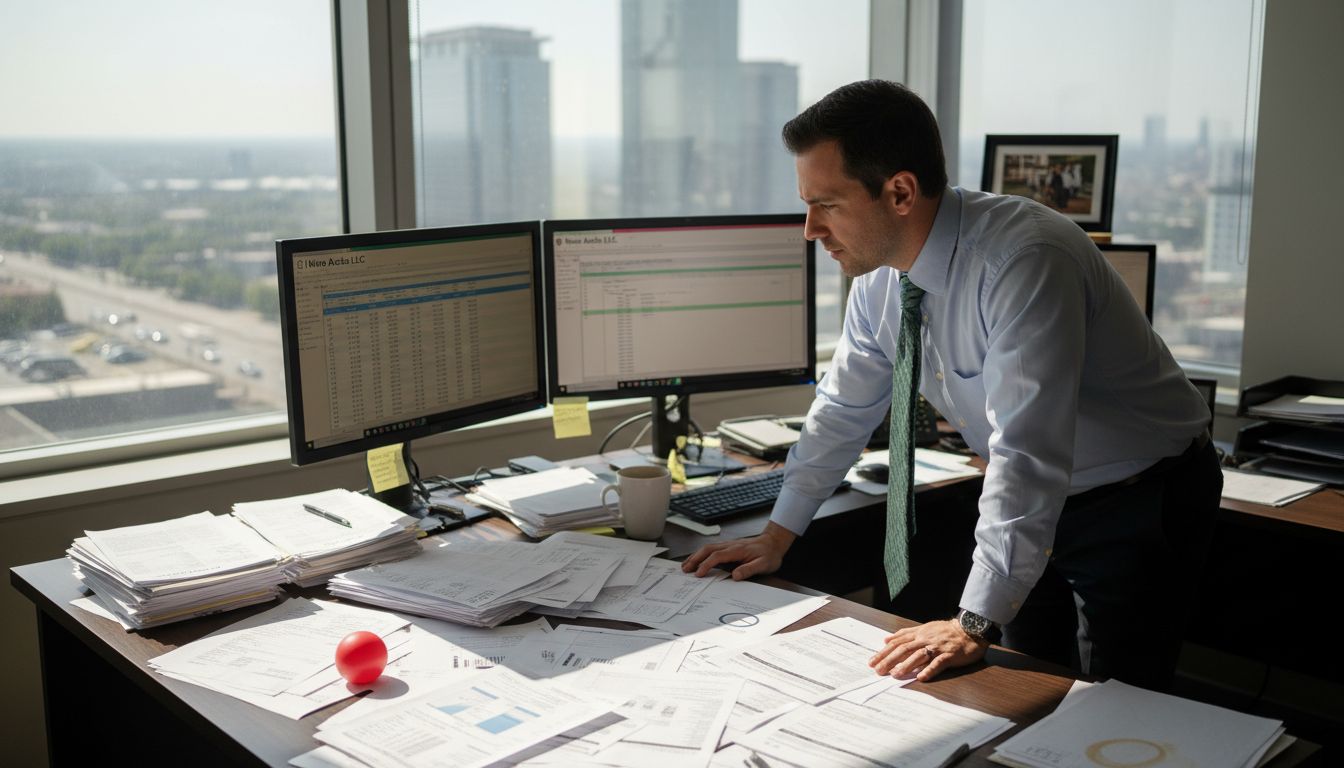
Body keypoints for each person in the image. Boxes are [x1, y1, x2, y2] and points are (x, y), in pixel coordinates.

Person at [681, 79, 1220, 691]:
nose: (810, 229)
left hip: (1139, 497)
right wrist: (778, 535)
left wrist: (972, 620)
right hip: (1028, 501)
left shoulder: (1024, 260)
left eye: (827, 204)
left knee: (1116, 704)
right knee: (1027, 688)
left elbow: (1027, 448)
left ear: (901, 192)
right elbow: (842, 408)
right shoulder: (881, 280)